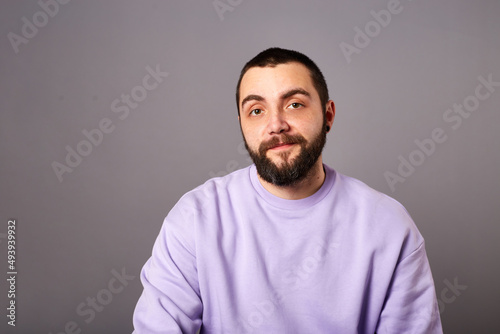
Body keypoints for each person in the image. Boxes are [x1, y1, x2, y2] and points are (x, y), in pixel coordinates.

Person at [132, 47, 443, 333]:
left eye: (294, 104)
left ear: (328, 115)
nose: (276, 124)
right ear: (241, 123)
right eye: (256, 110)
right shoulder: (194, 219)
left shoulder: (388, 226)